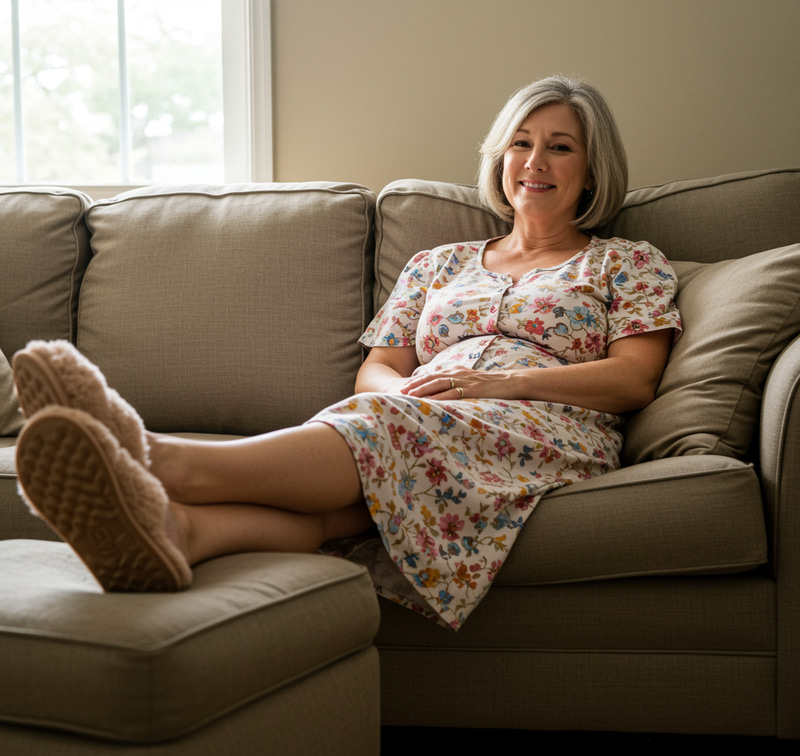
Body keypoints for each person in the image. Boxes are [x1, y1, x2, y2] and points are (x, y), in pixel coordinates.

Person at [13, 75, 681, 631]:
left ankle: (162, 460)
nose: (534, 162)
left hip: (548, 429)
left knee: (384, 431)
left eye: (559, 148)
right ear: (499, 159)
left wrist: (499, 385)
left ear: (591, 171)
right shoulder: (436, 263)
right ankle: (180, 531)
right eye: (521, 143)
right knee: (349, 504)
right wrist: (407, 399)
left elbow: (633, 380)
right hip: (421, 417)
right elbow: (379, 369)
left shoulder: (626, 262)